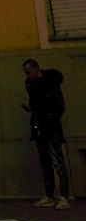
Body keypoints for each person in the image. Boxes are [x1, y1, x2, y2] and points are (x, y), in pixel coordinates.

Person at [22, 59, 71, 208]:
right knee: (45, 162)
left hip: (51, 126)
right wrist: (30, 107)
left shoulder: (50, 82)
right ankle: (49, 195)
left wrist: (52, 120)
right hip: (39, 126)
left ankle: (63, 197)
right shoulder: (30, 84)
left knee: (57, 161)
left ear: (36, 69)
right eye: (26, 73)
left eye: (29, 72)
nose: (28, 76)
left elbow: (60, 105)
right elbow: (35, 102)